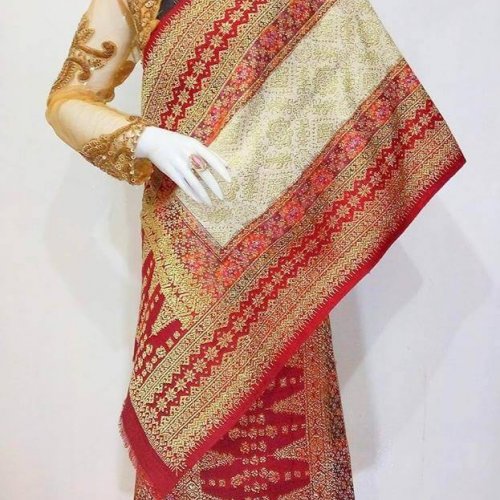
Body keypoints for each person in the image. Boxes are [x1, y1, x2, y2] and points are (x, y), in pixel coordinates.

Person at [45, 0, 466, 498]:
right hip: (185, 249)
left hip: (282, 248)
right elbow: (67, 99)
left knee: (291, 423)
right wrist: (146, 139)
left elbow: (343, 63)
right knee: (190, 420)